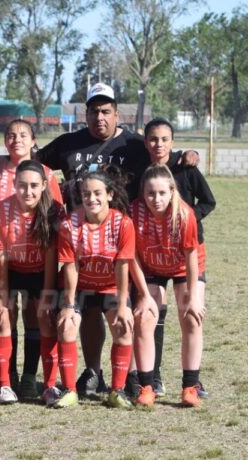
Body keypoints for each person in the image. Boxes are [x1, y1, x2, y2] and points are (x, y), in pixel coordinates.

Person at [38, 83, 182, 395]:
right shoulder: (68, 144)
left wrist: (187, 156)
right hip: (79, 241)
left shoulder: (133, 145)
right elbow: (34, 164)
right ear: (85, 114)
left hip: (125, 238)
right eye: (93, 111)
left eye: (106, 111)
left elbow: (162, 157)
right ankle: (93, 372)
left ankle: (138, 375)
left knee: (127, 309)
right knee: (89, 311)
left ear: (117, 114)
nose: (99, 116)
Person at [55, 166, 157, 408]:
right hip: (81, 289)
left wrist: (123, 305)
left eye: (98, 193)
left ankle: (117, 391)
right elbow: (71, 267)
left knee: (123, 327)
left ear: (110, 194)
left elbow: (123, 266)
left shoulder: (123, 224)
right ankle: (69, 391)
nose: (92, 199)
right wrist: (69, 305)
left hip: (111, 288)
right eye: (86, 194)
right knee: (67, 326)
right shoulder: (70, 224)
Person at [0, 119, 64, 398]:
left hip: (40, 269)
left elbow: (53, 251)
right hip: (8, 265)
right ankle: (6, 380)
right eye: (11, 135)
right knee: (5, 313)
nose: (28, 191)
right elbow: (0, 252)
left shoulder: (48, 192)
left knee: (39, 315)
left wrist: (50, 291)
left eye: (23, 134)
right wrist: (2, 293)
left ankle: (33, 378)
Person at [143, 118, 215, 398]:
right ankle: (154, 378)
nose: (158, 144)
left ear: (173, 142)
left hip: (188, 252)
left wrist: (186, 220)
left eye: (164, 139)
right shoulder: (142, 169)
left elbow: (209, 201)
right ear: (145, 141)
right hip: (154, 253)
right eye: (152, 139)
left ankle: (192, 381)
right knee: (153, 316)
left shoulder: (186, 166)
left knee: (192, 316)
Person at [130, 164, 206, 407]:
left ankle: (189, 387)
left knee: (191, 317)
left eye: (162, 193)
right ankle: (147, 386)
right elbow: (132, 257)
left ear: (172, 191)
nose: (156, 199)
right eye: (150, 193)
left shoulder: (184, 214)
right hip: (151, 268)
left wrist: (193, 297)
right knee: (145, 318)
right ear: (143, 192)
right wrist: (142, 294)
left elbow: (192, 258)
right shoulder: (134, 212)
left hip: (184, 267)